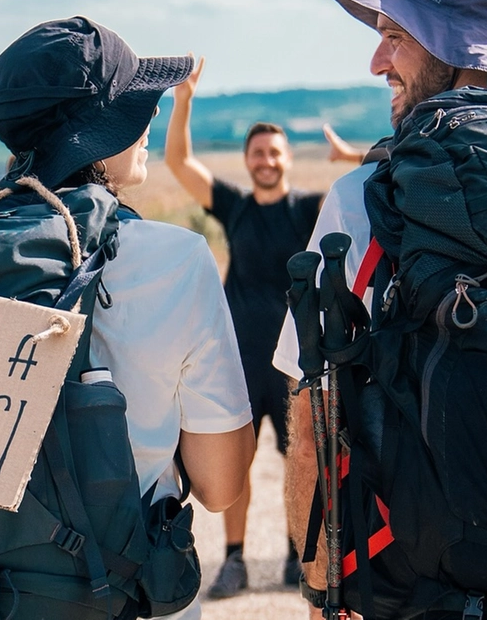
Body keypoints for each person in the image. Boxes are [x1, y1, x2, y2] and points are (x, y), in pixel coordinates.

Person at [0, 16, 256, 619]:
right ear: (101, 132)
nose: (150, 122)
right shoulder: (177, 259)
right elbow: (220, 487)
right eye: (137, 109)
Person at [271, 0, 487, 617]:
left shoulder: (369, 196)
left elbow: (315, 419)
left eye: (395, 36)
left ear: (455, 50)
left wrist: (320, 587)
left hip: (422, 585)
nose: (376, 61)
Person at [163, 57, 323, 596]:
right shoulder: (234, 208)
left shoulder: (308, 211)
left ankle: (296, 557)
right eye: (258, 153)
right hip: (239, 358)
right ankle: (233, 559)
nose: (266, 161)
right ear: (248, 160)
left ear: (287, 159)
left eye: (274, 152)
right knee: (239, 464)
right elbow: (179, 161)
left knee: (301, 462)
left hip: (295, 360)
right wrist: (183, 103)